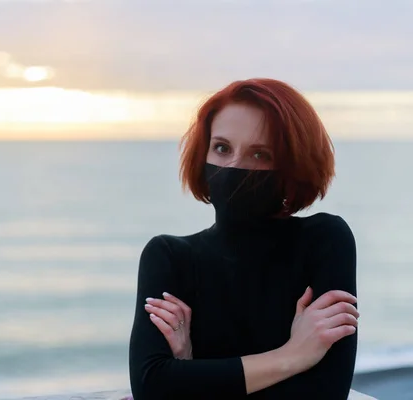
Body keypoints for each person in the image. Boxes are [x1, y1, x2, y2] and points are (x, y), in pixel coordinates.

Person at [128, 78, 359, 400]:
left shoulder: (324, 240)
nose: (235, 166)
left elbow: (324, 393)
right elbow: (151, 386)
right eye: (222, 148)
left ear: (293, 165)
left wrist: (190, 375)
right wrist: (292, 356)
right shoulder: (168, 255)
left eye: (260, 154)